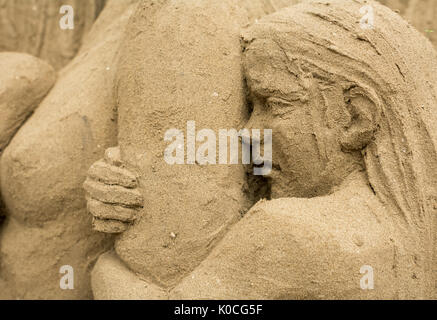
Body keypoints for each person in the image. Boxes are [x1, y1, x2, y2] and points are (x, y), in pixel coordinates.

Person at [87, 0, 437, 299]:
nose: (249, 131)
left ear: (356, 117)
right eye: (250, 106)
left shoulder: (286, 234)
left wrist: (105, 265)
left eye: (275, 103)